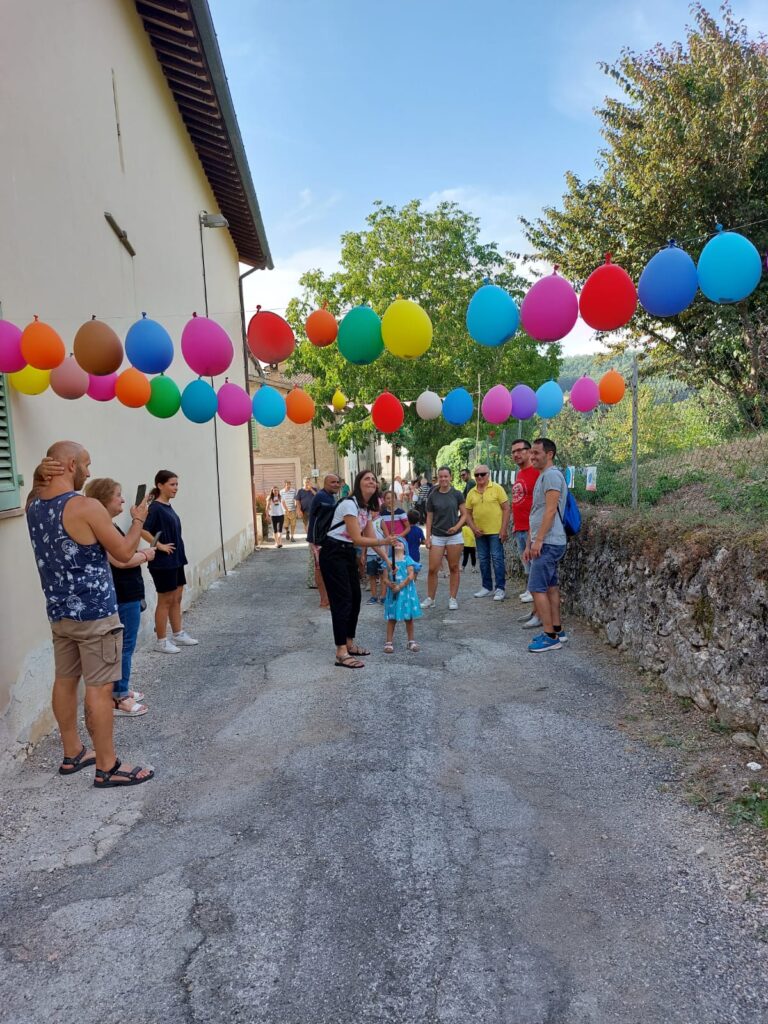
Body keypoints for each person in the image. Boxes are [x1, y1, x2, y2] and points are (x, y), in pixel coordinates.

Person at [26, 441, 154, 787]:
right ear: (69, 464)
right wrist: (138, 521)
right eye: (86, 463)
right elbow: (125, 552)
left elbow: (36, 490)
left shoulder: (34, 505)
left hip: (59, 612)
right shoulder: (86, 506)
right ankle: (108, 766)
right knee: (99, 688)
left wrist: (39, 477)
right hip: (96, 614)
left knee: (65, 681)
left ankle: (73, 753)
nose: (89, 471)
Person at [85, 478, 154, 718]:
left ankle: (121, 688)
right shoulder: (102, 526)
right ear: (104, 499)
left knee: (125, 646)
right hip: (122, 595)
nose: (123, 499)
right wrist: (146, 554)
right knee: (124, 647)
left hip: (126, 592)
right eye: (118, 495)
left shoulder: (108, 525)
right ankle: (119, 697)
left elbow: (125, 551)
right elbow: (120, 559)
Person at [318, 469, 390, 668]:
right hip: (333, 552)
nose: (371, 481)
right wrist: (386, 539)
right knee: (342, 601)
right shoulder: (349, 504)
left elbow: (371, 541)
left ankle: (349, 642)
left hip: (347, 553)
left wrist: (387, 560)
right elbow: (358, 538)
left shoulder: (365, 509)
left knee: (356, 598)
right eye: (366, 478)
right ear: (358, 483)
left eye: (374, 479)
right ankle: (341, 651)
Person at [144, 469, 198, 654]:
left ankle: (178, 633)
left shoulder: (167, 506)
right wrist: (159, 545)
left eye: (177, 485)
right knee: (165, 600)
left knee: (177, 598)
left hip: (176, 559)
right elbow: (143, 529)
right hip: (163, 562)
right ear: (160, 485)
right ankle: (161, 641)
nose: (176, 488)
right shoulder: (155, 508)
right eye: (172, 484)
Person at [524, 438, 569, 653]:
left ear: (549, 454)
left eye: (536, 452)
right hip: (547, 541)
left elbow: (550, 510)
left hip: (549, 542)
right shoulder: (545, 475)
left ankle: (550, 636)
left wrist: (538, 540)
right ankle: (557, 629)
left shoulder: (551, 475)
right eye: (531, 453)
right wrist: (530, 542)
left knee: (536, 587)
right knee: (550, 586)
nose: (532, 456)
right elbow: (538, 512)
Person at [420, 466, 466, 611]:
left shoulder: (457, 494)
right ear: (438, 478)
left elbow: (464, 514)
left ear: (450, 477)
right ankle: (430, 598)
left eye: (446, 476)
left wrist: (456, 526)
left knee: (453, 567)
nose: (443, 479)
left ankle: (453, 598)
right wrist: (428, 538)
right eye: (441, 476)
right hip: (438, 536)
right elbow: (429, 517)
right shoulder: (433, 495)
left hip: (454, 536)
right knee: (432, 568)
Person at [464, 464, 510, 601]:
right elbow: (467, 513)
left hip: (496, 531)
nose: (479, 477)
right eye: (477, 475)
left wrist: (503, 529)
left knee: (497, 559)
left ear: (488, 475)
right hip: (479, 533)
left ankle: (500, 588)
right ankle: (486, 587)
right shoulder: (471, 492)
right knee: (483, 560)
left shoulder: (497, 489)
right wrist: (473, 528)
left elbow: (507, 509)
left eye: (482, 474)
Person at [511, 439, 540, 608]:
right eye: (514, 451)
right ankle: (529, 588)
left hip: (531, 528)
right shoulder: (519, 474)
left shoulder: (536, 472)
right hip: (519, 526)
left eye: (520, 450)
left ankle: (533, 591)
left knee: (533, 561)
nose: (516, 454)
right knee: (526, 561)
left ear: (529, 452)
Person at [382, 537, 422, 653]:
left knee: (409, 618)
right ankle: (388, 642)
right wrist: (391, 585)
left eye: (401, 542)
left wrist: (400, 586)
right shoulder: (388, 560)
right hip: (393, 593)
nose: (398, 543)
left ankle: (411, 641)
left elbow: (410, 576)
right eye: (396, 542)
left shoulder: (407, 559)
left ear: (405, 548)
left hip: (406, 593)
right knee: (392, 618)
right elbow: (384, 578)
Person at [307, 473, 341, 608]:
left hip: (324, 538)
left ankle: (327, 599)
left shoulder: (330, 496)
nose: (336, 485)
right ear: (325, 483)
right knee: (320, 569)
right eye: (333, 482)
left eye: (338, 482)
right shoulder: (322, 496)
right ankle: (324, 600)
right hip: (319, 540)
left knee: (325, 568)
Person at [296, 477, 319, 587]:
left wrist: (311, 490)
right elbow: (298, 501)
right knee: (306, 526)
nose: (307, 483)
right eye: (305, 482)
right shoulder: (300, 491)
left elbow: (318, 497)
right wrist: (298, 510)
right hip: (305, 512)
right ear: (303, 482)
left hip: (314, 512)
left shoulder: (314, 489)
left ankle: (311, 537)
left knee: (311, 526)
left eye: (308, 482)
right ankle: (309, 538)